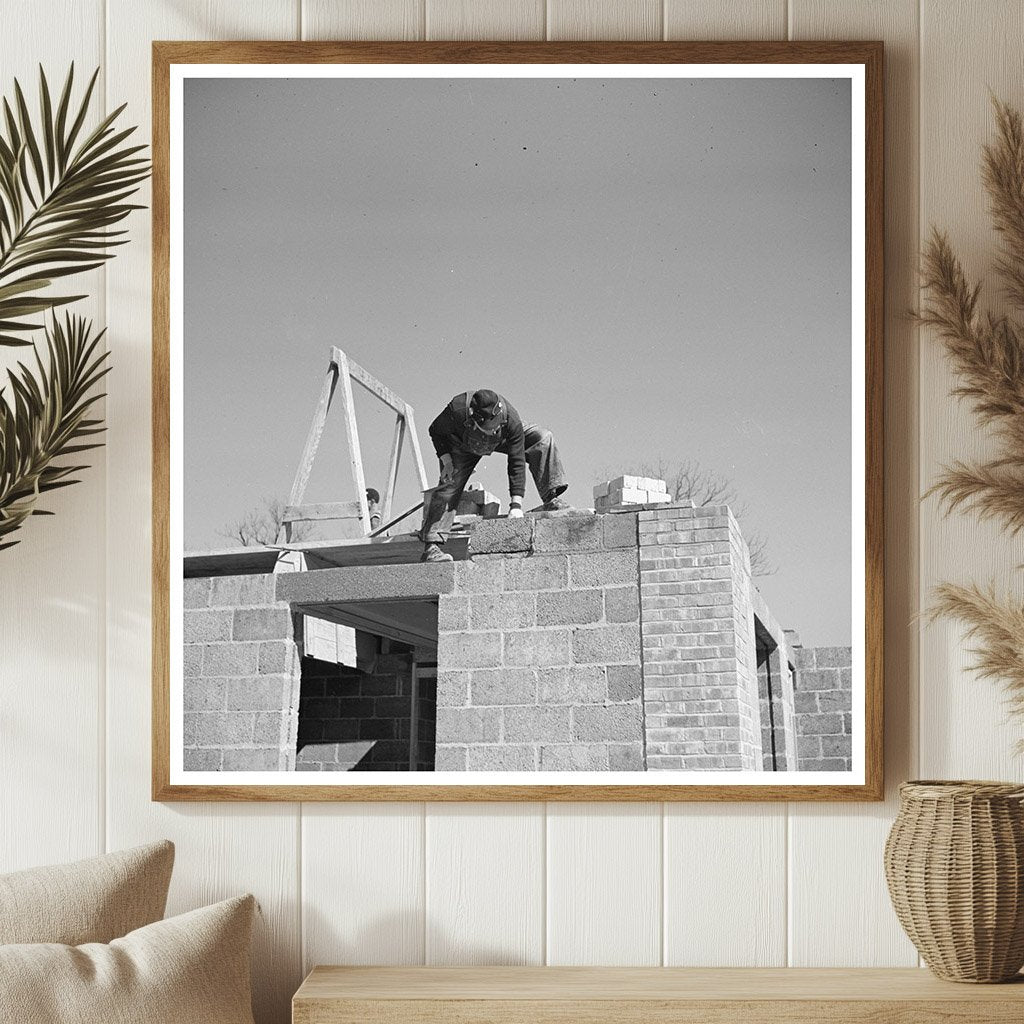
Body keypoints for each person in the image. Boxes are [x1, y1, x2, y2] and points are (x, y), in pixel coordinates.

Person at [421, 389, 570, 563]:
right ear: (475, 421)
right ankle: (432, 547)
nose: (494, 429)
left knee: (542, 437)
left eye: (497, 425)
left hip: (503, 439)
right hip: (463, 445)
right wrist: (446, 461)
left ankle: (551, 498)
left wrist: (516, 505)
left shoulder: (510, 418)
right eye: (491, 428)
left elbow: (517, 461)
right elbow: (435, 430)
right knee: (450, 486)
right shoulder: (457, 410)